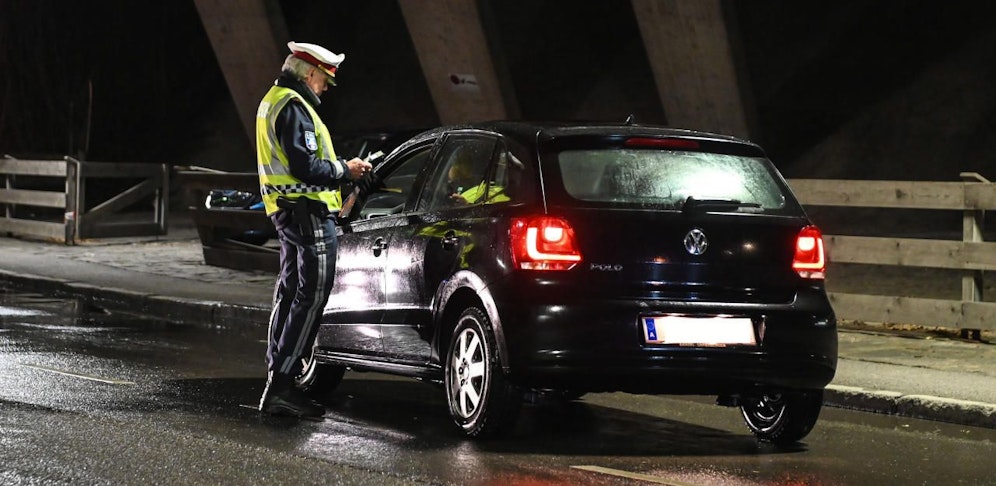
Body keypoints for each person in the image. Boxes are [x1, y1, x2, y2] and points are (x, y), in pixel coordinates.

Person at [255, 41, 372, 418]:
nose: (324, 88)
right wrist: (346, 170)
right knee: (312, 295)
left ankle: (278, 377)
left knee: (290, 292)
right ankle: (283, 385)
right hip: (308, 212)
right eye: (324, 80)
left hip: (287, 211)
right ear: (309, 73)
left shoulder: (273, 100)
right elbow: (306, 167)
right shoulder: (294, 106)